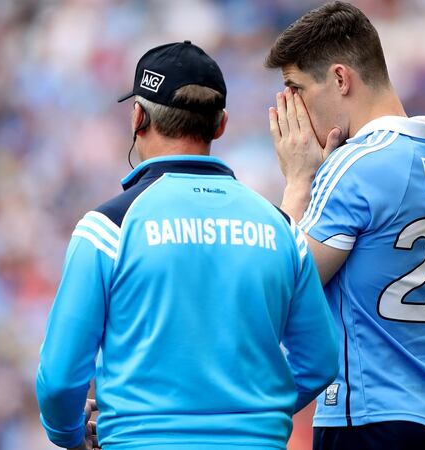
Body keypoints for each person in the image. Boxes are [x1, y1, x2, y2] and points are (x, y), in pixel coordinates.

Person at [35, 41, 339, 450]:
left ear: (138, 117)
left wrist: (71, 436)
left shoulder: (107, 229)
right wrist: (256, 415)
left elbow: (58, 380)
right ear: (220, 124)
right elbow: (319, 361)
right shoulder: (280, 228)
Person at [265, 2, 425, 449]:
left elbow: (281, 286)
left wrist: (299, 183)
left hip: (370, 417)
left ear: (340, 79)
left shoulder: (357, 162)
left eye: (295, 88)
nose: (290, 107)